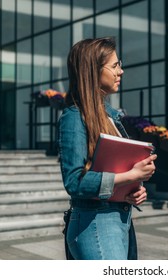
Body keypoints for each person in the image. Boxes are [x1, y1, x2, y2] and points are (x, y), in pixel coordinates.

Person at [57, 37, 157, 260]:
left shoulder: (111, 118)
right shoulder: (73, 118)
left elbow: (113, 173)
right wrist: (131, 175)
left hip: (119, 220)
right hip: (95, 225)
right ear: (93, 71)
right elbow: (74, 182)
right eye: (114, 65)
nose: (121, 71)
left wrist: (132, 191)